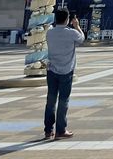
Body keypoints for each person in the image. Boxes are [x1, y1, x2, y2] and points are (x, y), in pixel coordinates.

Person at [44, 8, 85, 140]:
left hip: (52, 70)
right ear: (68, 20)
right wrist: (77, 26)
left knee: (50, 101)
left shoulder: (49, 33)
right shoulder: (71, 33)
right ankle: (60, 130)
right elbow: (82, 39)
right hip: (66, 70)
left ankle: (48, 130)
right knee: (63, 100)